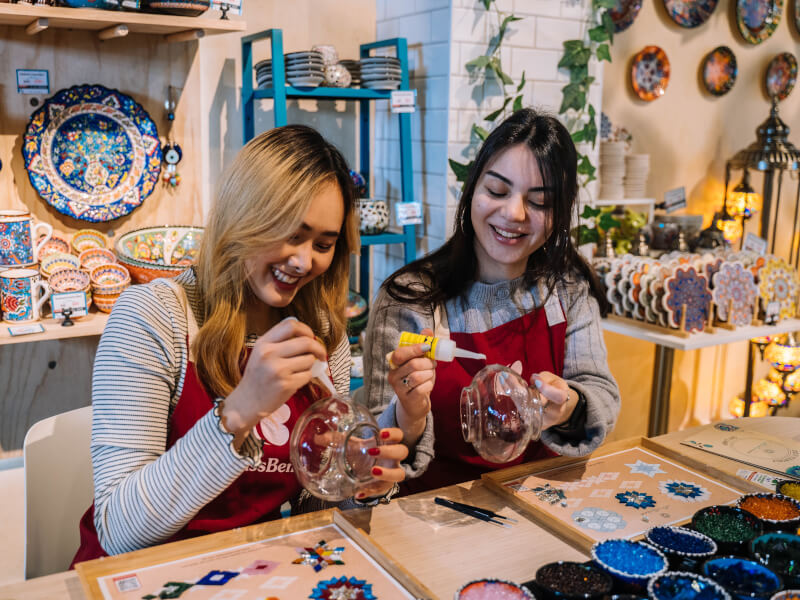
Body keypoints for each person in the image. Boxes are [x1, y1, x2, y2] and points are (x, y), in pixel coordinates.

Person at [72, 125, 407, 563]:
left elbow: (312, 503)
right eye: (291, 233)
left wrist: (355, 482)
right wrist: (239, 411)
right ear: (244, 216)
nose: (305, 261)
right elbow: (118, 530)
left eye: (323, 244)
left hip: (252, 568)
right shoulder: (154, 316)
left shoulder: (323, 335)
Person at [362, 108, 621, 493]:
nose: (514, 213)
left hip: (543, 501)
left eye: (540, 202)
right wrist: (406, 413)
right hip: (434, 517)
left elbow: (601, 392)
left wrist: (568, 406)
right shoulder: (411, 299)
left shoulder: (565, 288)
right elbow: (374, 455)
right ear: (472, 192)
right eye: (497, 191)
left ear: (559, 215)